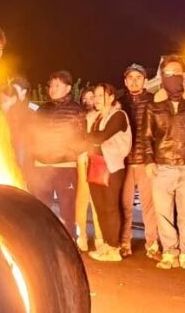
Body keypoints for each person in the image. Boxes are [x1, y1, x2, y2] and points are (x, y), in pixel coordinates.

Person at [140, 55, 185, 270]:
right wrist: (149, 161)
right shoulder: (154, 106)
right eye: (169, 74)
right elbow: (146, 135)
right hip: (162, 164)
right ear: (163, 77)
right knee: (163, 212)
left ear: (184, 76)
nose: (173, 78)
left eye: (177, 74)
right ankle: (169, 251)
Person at [29, 71, 87, 233]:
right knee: (41, 207)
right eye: (51, 86)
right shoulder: (42, 109)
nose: (52, 89)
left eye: (57, 86)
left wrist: (68, 151)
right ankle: (43, 240)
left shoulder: (76, 110)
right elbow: (32, 134)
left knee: (67, 209)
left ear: (68, 88)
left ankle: (69, 240)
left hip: (65, 167)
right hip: (41, 166)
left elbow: (82, 138)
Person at [86, 83, 131, 262]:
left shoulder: (118, 115)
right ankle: (105, 244)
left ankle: (113, 248)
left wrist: (81, 138)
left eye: (100, 95)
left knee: (111, 207)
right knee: (100, 208)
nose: (96, 99)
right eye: (95, 95)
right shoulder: (94, 117)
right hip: (95, 164)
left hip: (112, 166)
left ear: (111, 97)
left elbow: (101, 137)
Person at [119, 63, 159, 259]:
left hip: (146, 160)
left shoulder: (153, 101)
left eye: (138, 77)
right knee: (125, 205)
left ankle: (152, 243)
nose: (134, 81)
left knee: (150, 205)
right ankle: (124, 242)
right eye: (131, 78)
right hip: (125, 162)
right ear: (125, 81)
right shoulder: (119, 103)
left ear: (145, 80)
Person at [75, 86, 104, 252]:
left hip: (97, 160)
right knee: (81, 200)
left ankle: (100, 237)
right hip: (81, 160)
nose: (88, 101)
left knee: (97, 201)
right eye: (85, 98)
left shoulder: (102, 116)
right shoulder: (79, 116)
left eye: (91, 97)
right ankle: (82, 236)